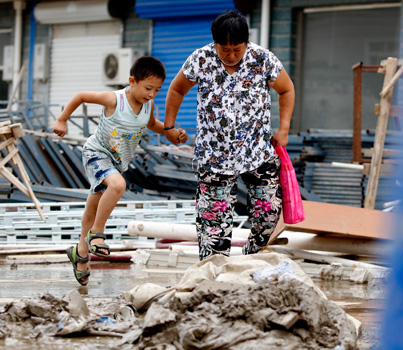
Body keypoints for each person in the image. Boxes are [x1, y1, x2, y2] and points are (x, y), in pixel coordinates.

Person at [164, 10, 295, 261]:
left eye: (237, 48)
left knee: (268, 216)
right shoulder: (201, 59)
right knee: (214, 227)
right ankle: (215, 276)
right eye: (225, 49)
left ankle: (248, 261)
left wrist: (284, 129)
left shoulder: (263, 59)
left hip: (257, 151)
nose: (231, 55)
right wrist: (169, 127)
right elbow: (177, 89)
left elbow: (286, 89)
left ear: (247, 42)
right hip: (214, 155)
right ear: (215, 44)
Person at [53, 56, 188, 285]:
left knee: (94, 205)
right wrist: (62, 119)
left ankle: (80, 254)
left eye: (157, 90)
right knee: (118, 185)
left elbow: (152, 123)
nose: (151, 94)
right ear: (132, 81)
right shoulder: (114, 99)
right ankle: (97, 234)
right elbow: (81, 96)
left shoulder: (148, 105)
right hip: (97, 153)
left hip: (116, 162)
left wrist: (170, 132)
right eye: (147, 88)